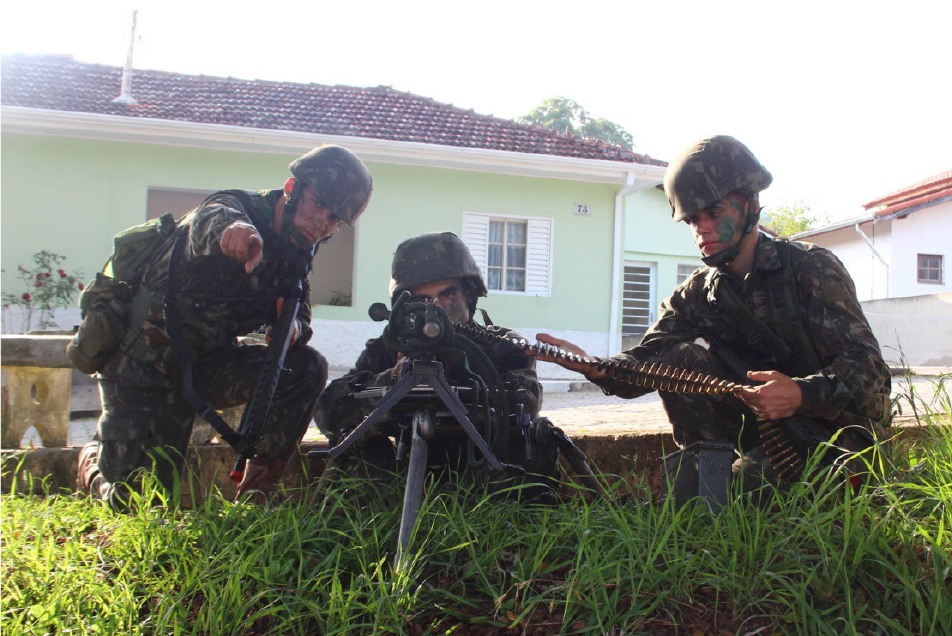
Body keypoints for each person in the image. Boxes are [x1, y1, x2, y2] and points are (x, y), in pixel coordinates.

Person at [536, 135, 891, 504]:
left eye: (715, 214)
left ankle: (723, 492)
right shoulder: (699, 293)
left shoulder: (810, 267)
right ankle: (705, 476)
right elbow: (651, 360)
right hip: (765, 434)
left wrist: (801, 393)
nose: (702, 229)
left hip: (836, 436)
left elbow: (868, 368)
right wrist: (598, 367)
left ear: (751, 206)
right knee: (680, 360)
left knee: (749, 493)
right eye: (693, 220)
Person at [76, 144, 374, 508]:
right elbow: (210, 218)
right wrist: (234, 231)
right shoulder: (234, 210)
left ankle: (254, 499)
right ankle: (91, 463)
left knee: (306, 366)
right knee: (137, 506)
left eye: (332, 220)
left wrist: (292, 326)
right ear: (292, 190)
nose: (320, 223)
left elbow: (301, 313)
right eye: (317, 205)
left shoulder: (296, 252)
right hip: (141, 369)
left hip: (207, 368)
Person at [313, 231, 562, 499]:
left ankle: (517, 533)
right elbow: (329, 412)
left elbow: (526, 401)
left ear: (469, 294)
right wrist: (392, 379)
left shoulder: (504, 345)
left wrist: (455, 369)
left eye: (448, 294)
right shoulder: (389, 348)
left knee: (537, 435)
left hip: (486, 474)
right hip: (401, 480)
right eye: (423, 300)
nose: (437, 308)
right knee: (351, 439)